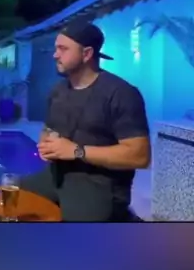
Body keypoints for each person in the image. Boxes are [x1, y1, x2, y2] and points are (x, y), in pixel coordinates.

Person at [21, 22, 151, 222]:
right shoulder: (58, 90)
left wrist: (77, 151)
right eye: (56, 48)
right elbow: (48, 128)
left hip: (99, 185)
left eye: (63, 49)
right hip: (57, 175)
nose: (55, 55)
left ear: (87, 53)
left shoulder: (121, 94)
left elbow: (140, 156)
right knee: (12, 197)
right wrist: (46, 143)